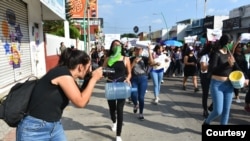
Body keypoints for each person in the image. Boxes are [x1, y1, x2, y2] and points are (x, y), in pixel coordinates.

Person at [16, 48, 103, 140]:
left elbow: (84, 100)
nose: (90, 69)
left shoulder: (68, 76)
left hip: (54, 126)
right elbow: (80, 102)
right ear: (81, 67)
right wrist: (93, 79)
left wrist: (88, 80)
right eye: (89, 66)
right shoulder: (62, 74)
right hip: (34, 129)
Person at [203, 34, 248, 125]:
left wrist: (245, 78)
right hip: (217, 84)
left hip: (229, 85)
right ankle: (207, 122)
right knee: (218, 110)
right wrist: (227, 63)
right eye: (231, 42)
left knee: (226, 111)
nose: (232, 44)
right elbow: (212, 69)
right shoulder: (216, 53)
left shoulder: (230, 54)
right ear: (226, 43)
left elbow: (236, 67)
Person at [102, 39, 131, 141]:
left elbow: (129, 73)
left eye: (118, 45)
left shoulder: (125, 59)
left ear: (121, 47)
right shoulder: (108, 58)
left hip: (121, 86)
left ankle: (118, 135)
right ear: (112, 47)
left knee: (120, 110)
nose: (116, 46)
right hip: (110, 85)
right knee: (112, 109)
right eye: (114, 45)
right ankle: (114, 121)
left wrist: (127, 79)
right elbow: (103, 71)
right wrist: (109, 71)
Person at [130, 44, 153, 120]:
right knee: (133, 95)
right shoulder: (131, 58)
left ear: (142, 51)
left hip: (143, 78)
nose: (138, 51)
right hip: (134, 79)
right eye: (137, 49)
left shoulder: (145, 58)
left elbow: (151, 62)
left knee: (141, 97)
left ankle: (141, 113)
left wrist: (149, 51)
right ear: (134, 51)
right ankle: (135, 104)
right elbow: (129, 69)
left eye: (140, 49)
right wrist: (134, 62)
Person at [199, 43, 212, 118]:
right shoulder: (204, 57)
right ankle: (205, 110)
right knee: (205, 94)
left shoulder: (215, 56)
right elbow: (203, 68)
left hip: (213, 76)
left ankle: (211, 106)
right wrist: (211, 64)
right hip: (205, 76)